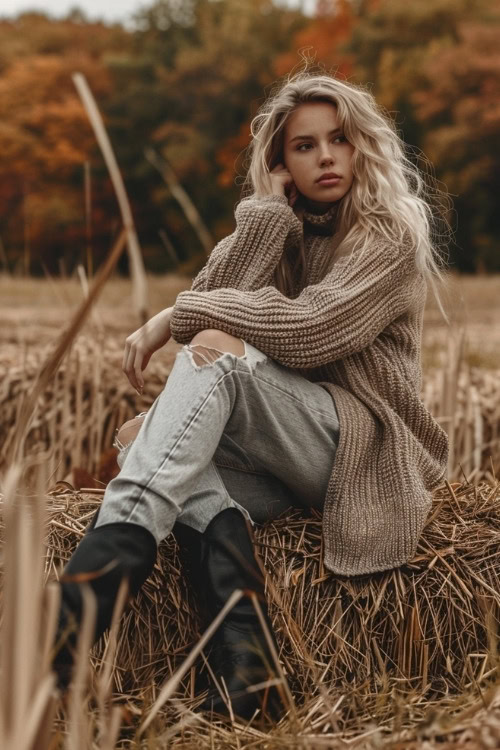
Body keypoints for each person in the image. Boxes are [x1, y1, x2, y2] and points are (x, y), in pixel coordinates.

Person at [52, 67, 451, 721]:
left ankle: (80, 607)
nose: (324, 156)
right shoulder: (282, 222)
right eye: (303, 145)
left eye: (339, 139)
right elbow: (222, 291)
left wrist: (169, 316)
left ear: (361, 147)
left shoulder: (389, 235)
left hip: (364, 448)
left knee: (217, 356)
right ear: (280, 161)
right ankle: (248, 671)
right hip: (292, 449)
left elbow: (312, 331)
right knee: (140, 439)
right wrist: (266, 216)